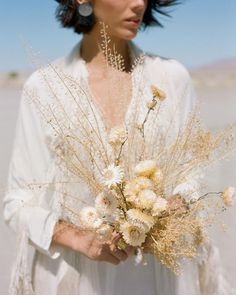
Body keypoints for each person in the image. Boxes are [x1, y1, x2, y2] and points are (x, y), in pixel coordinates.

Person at [3, 0, 235, 294]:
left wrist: (173, 208)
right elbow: (18, 201)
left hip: (160, 275)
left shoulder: (172, 78)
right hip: (76, 277)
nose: (139, 3)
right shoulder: (44, 88)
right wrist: (79, 238)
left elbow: (195, 172)